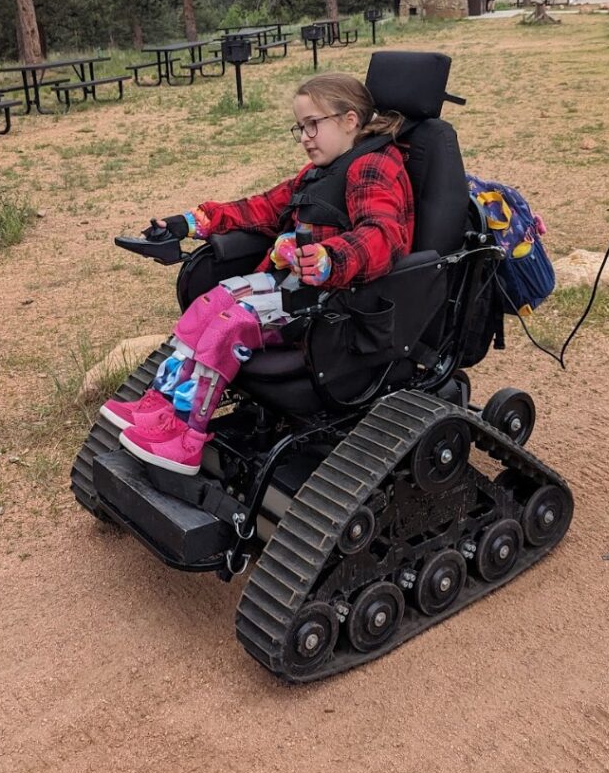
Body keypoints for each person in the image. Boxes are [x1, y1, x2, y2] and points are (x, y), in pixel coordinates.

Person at [101, 72, 414, 475]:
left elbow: (383, 236)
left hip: (332, 303)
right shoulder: (319, 172)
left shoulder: (373, 166)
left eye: (313, 125)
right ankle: (159, 408)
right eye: (300, 128)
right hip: (291, 287)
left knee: (228, 326)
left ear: (350, 120)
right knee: (208, 304)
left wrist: (329, 259)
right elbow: (263, 207)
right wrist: (192, 222)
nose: (305, 137)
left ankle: (185, 439)